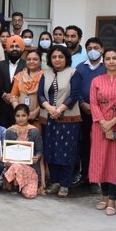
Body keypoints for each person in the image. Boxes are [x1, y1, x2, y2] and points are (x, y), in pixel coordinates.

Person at [89, 48, 116, 216]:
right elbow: (93, 104)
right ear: (104, 61)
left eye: (114, 58)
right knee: (101, 161)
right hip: (99, 126)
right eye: (108, 58)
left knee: (114, 163)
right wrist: (103, 124)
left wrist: (112, 124)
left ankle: (113, 200)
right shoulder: (96, 81)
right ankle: (104, 196)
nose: (111, 61)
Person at [38, 45, 82, 198]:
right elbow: (40, 95)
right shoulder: (45, 74)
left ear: (66, 58)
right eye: (54, 57)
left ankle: (65, 184)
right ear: (50, 59)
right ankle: (55, 181)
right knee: (50, 150)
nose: (57, 59)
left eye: (61, 57)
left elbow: (74, 95)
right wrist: (50, 109)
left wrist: (59, 110)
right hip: (48, 118)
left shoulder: (74, 73)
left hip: (68, 120)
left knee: (66, 151)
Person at [75, 36, 106, 191]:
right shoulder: (80, 68)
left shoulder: (106, 67)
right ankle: (85, 176)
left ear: (102, 50)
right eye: (89, 48)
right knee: (84, 144)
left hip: (102, 114)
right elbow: (76, 88)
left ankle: (95, 179)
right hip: (83, 111)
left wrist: (95, 107)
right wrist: (82, 103)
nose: (92, 51)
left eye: (96, 48)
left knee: (98, 145)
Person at [3, 105, 43, 198]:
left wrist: (37, 157)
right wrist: (7, 161)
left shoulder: (34, 131)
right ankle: (15, 184)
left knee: (30, 194)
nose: (20, 119)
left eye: (23, 115)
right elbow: (6, 151)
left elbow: (39, 151)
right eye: (18, 116)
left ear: (28, 116)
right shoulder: (10, 131)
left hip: (30, 168)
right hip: (14, 166)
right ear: (14, 117)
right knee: (16, 166)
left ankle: (20, 184)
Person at [0, 35, 26, 128]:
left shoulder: (27, 65)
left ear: (22, 49)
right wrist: (3, 94)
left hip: (20, 107)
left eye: (17, 46)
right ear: (7, 49)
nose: (14, 49)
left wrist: (14, 96)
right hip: (2, 106)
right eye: (12, 46)